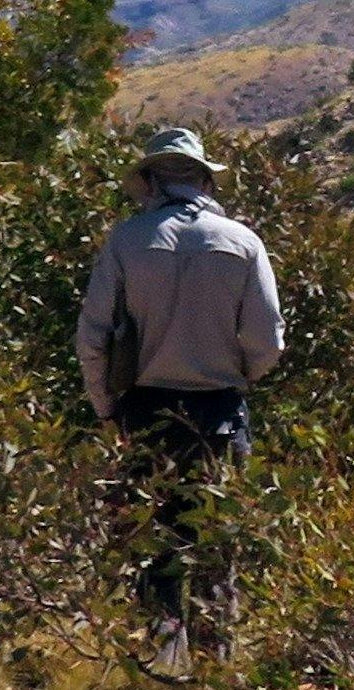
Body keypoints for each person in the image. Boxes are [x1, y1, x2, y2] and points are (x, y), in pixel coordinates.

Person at [77, 128, 284, 616]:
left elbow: (92, 336)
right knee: (215, 550)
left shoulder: (127, 240)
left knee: (150, 546)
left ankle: (159, 658)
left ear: (150, 182)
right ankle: (212, 673)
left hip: (144, 413)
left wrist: (106, 408)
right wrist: (240, 379)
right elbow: (268, 339)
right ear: (206, 182)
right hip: (220, 416)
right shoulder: (243, 242)